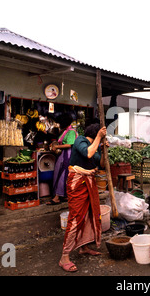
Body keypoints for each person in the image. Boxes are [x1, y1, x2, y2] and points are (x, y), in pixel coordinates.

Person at [58, 123, 107, 272]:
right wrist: (99, 137)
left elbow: (102, 164)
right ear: (95, 132)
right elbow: (88, 154)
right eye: (99, 134)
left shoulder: (96, 145)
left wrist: (104, 149)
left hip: (89, 182)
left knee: (90, 214)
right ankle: (64, 257)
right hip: (77, 182)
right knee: (76, 217)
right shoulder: (81, 140)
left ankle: (83, 247)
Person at [47, 115, 78, 205]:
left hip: (67, 155)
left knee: (63, 175)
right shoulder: (65, 131)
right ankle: (63, 195)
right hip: (62, 155)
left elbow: (69, 144)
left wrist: (56, 146)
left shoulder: (71, 132)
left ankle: (57, 197)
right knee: (58, 173)